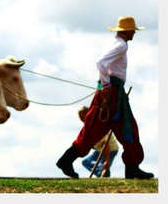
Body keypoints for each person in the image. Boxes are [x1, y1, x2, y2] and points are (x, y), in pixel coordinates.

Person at [56, 16, 154, 179]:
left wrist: (105, 85)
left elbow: (103, 64)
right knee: (128, 128)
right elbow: (101, 62)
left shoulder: (115, 43)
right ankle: (132, 168)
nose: (134, 33)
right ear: (127, 30)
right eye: (133, 30)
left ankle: (66, 160)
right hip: (112, 92)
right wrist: (108, 86)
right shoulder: (121, 45)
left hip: (108, 91)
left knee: (92, 130)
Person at [78, 106, 119, 177]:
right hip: (99, 149)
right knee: (86, 162)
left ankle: (103, 172)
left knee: (104, 165)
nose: (82, 120)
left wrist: (107, 160)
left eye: (83, 117)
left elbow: (105, 144)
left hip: (110, 149)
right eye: (80, 118)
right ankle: (101, 172)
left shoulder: (97, 124)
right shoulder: (88, 126)